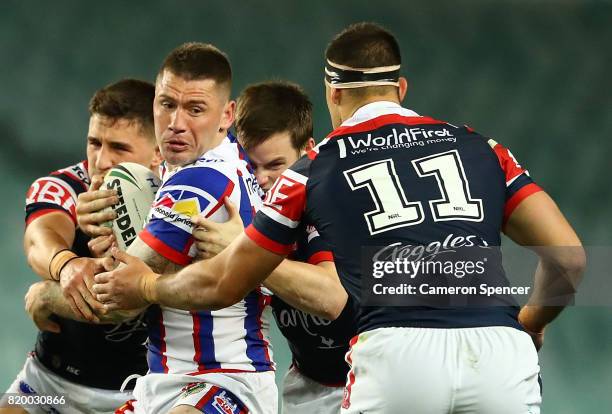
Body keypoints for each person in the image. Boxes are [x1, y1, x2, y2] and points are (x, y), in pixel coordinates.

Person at [94, 23, 586, 414]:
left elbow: (224, 283)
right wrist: (529, 323)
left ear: (332, 93)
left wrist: (148, 287)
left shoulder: (312, 169)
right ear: (402, 87)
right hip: (499, 354)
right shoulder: (485, 149)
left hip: (397, 359)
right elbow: (571, 261)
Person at [92, 43, 275, 414]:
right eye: (166, 105)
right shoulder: (231, 157)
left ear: (227, 115)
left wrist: (50, 286)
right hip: (162, 381)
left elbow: (116, 299)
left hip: (224, 380)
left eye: (195, 110)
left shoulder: (199, 180)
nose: (176, 123)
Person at [191, 81, 356, 414]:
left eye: (276, 165)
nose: (263, 179)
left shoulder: (326, 206)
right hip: (306, 382)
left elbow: (331, 296)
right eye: (252, 167)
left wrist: (243, 249)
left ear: (307, 154)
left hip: (370, 380)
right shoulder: (240, 203)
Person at [1, 79, 161, 414]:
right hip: (48, 384)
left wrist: (48, 294)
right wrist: (66, 264)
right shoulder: (63, 186)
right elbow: (39, 239)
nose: (100, 160)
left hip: (142, 394)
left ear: (157, 153)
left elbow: (124, 301)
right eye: (94, 143)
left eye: (118, 148)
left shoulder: (180, 202)